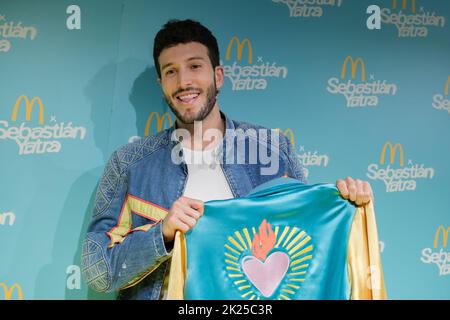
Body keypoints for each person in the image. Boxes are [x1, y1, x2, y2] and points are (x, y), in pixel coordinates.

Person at [81, 19, 374, 300]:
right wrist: (163, 234)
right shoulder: (128, 163)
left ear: (218, 76)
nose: (184, 81)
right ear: (161, 83)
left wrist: (347, 203)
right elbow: (98, 271)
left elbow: (307, 243)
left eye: (194, 66)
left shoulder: (273, 150)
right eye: (171, 71)